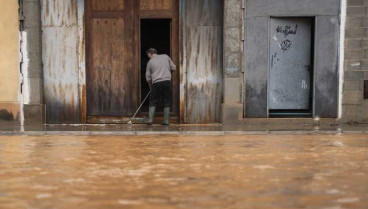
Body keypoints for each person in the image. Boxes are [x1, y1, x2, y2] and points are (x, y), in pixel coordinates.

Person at [145, 48, 176, 125]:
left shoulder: (150, 62)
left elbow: (148, 78)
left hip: (156, 83)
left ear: (150, 54)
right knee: (167, 101)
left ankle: (150, 120)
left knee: (153, 101)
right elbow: (173, 68)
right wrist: (168, 72)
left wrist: (151, 87)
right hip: (167, 82)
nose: (148, 57)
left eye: (148, 55)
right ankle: (166, 121)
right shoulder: (166, 57)